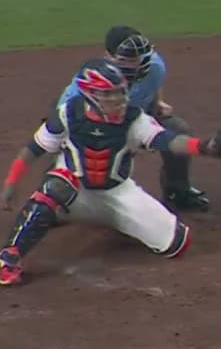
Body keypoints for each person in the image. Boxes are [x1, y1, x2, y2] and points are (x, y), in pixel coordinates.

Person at [0, 58, 221, 286]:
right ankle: (12, 257)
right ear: (90, 95)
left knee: (177, 243)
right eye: (109, 94)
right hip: (75, 192)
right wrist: (10, 183)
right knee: (57, 184)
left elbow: (169, 141)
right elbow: (33, 149)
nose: (117, 99)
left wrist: (206, 147)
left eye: (119, 92)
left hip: (117, 193)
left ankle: (117, 221)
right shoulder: (67, 114)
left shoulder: (133, 119)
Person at [55, 25, 212, 215]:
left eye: (138, 57)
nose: (135, 62)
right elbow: (66, 114)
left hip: (135, 122)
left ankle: (178, 191)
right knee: (66, 150)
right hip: (97, 128)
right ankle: (56, 200)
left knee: (177, 129)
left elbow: (153, 83)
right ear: (108, 56)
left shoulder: (154, 65)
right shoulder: (91, 78)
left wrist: (158, 102)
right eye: (127, 58)